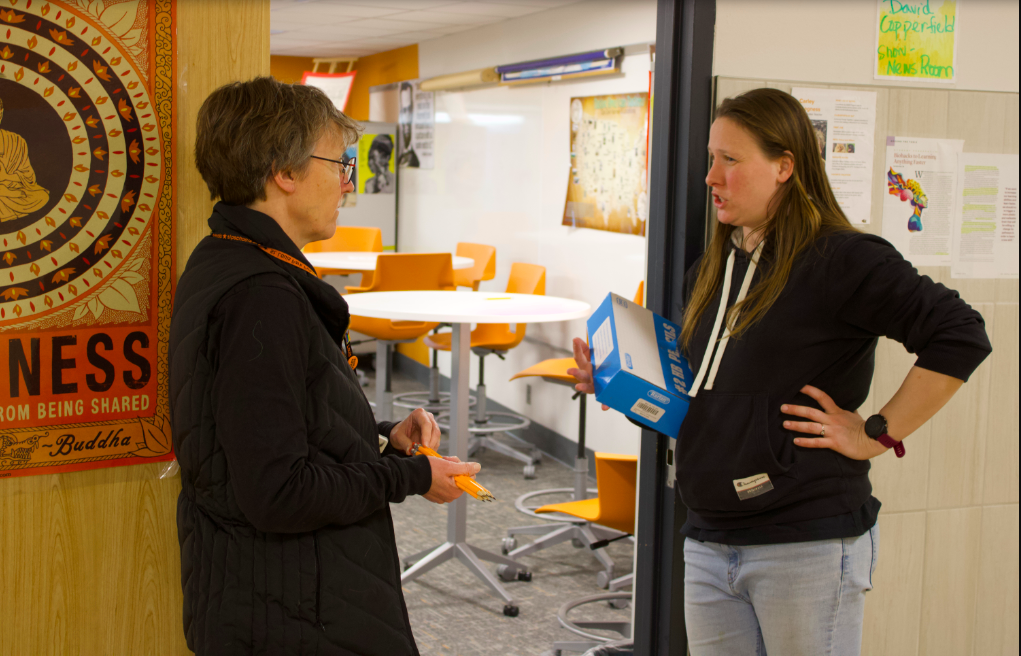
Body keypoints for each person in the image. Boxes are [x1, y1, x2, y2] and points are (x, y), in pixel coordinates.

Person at [569, 88, 991, 655]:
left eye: (730, 160)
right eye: (711, 158)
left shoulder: (843, 259)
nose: (710, 177)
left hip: (805, 545)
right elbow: (707, 399)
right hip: (710, 540)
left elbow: (959, 333)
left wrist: (876, 434)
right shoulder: (713, 267)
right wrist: (620, 383)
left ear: (784, 167)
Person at [169, 77, 480, 656]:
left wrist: (383, 439)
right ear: (284, 173)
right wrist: (409, 477)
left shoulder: (229, 260)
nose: (347, 181)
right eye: (338, 162)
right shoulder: (262, 297)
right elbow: (278, 491)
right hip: (292, 613)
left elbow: (281, 427)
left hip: (273, 596)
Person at [0, 97, 50, 222]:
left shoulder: (16, 140)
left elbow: (28, 177)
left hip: (12, 191)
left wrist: (6, 177)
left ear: (1, 113)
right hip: (9, 195)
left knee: (41, 196)